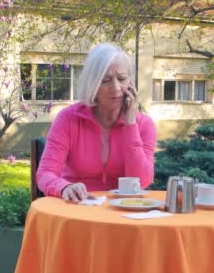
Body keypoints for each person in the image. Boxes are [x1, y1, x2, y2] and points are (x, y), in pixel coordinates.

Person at [36, 42, 157, 202]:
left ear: (131, 83)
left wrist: (130, 125)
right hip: (78, 208)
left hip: (123, 211)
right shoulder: (68, 119)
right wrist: (64, 187)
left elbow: (142, 181)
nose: (116, 88)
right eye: (105, 81)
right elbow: (45, 174)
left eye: (122, 79)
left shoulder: (144, 125)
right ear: (92, 84)